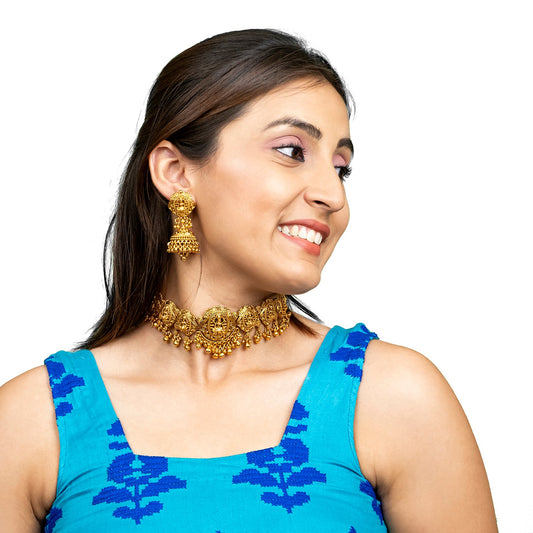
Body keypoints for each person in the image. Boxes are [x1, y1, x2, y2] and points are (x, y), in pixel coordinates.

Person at [0, 29, 497, 532]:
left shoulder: (395, 397)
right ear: (175, 172)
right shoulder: (29, 423)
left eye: (341, 168)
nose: (333, 196)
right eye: (291, 150)